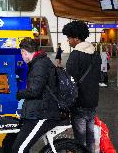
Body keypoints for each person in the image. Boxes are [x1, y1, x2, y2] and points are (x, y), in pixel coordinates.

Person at [12, 38, 60, 153]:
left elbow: (35, 91)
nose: (22, 58)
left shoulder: (40, 65)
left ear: (24, 52)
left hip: (43, 114)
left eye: (22, 54)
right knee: (13, 144)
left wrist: (18, 94)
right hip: (37, 112)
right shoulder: (38, 63)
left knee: (19, 149)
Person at [62, 21, 101, 153]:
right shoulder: (96, 54)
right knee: (90, 137)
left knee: (80, 139)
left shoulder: (75, 55)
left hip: (79, 101)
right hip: (93, 101)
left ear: (76, 38)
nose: (68, 41)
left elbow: (69, 80)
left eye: (69, 38)